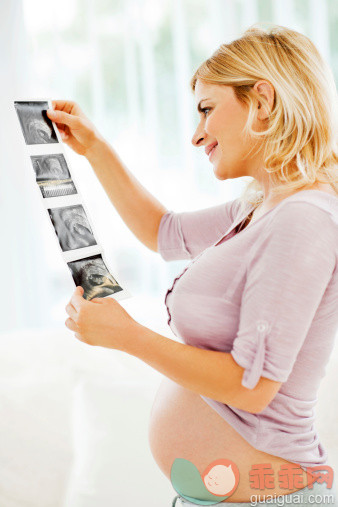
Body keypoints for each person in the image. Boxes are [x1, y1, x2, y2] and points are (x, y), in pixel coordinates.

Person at [47, 23, 338, 506]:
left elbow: (253, 389)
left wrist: (127, 335)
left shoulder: (303, 218)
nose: (196, 134)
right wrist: (94, 148)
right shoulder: (263, 207)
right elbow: (164, 232)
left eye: (207, 109)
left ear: (263, 101)